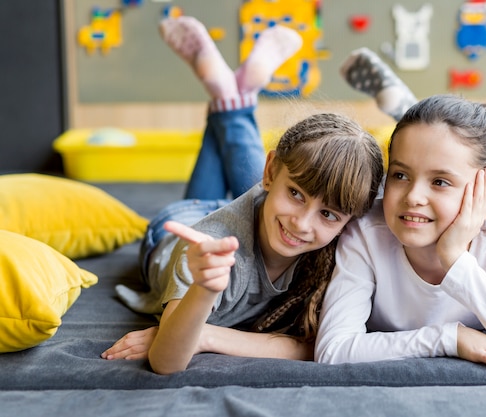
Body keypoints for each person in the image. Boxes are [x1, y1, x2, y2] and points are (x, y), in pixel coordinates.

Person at [101, 18, 384, 375]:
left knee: (285, 187)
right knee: (261, 200)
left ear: (350, 218)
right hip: (178, 229)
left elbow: (316, 345)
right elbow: (166, 362)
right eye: (296, 195)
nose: (302, 222)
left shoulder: (338, 235)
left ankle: (229, 98)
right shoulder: (210, 245)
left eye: (328, 214)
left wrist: (204, 335)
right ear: (268, 173)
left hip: (249, 213)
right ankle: (235, 99)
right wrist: (204, 289)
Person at [315, 50, 486, 372]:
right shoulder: (366, 230)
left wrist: (455, 259)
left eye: (440, 181)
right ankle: (403, 112)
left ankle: (402, 105)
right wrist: (450, 338)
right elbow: (333, 350)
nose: (413, 196)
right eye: (400, 175)